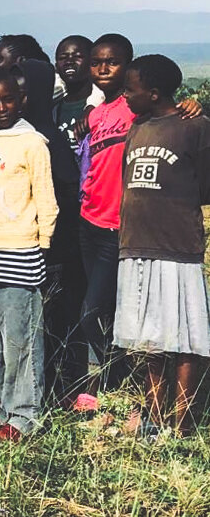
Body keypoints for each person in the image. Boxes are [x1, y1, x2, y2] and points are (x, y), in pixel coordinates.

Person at [77, 33, 202, 408]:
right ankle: (129, 396)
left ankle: (133, 394)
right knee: (121, 318)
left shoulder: (152, 113)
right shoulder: (101, 115)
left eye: (112, 62)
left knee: (102, 314)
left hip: (139, 231)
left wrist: (190, 104)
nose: (101, 68)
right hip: (98, 223)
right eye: (95, 61)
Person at [115, 54, 210, 439]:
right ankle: (154, 420)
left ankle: (183, 425)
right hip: (136, 245)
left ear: (154, 94)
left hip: (176, 247)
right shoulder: (137, 126)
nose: (124, 96)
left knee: (185, 335)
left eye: (130, 89)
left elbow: (205, 185)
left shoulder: (195, 127)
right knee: (148, 338)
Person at [0, 68, 58, 441]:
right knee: (3, 336)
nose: (0, 107)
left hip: (21, 248)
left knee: (24, 336)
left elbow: (46, 199)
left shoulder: (33, 143)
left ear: (21, 100)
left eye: (8, 100)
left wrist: (44, 245)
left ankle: (24, 415)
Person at [11, 57, 85, 406]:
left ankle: (65, 390)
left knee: (59, 320)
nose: (17, 102)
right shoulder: (24, 134)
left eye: (23, 94)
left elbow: (67, 194)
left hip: (56, 246)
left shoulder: (46, 137)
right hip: (32, 244)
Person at [53, 35, 104, 152]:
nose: (69, 62)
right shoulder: (53, 110)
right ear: (56, 66)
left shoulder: (102, 105)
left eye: (78, 57)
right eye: (63, 57)